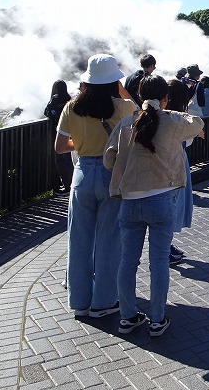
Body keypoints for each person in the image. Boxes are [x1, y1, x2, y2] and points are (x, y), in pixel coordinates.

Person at [104, 74, 204, 337]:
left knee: (128, 261)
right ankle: (157, 319)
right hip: (161, 200)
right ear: (165, 97)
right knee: (158, 261)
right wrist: (166, 108)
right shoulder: (172, 121)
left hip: (129, 201)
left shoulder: (126, 124)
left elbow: (108, 160)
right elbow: (197, 122)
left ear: (138, 95)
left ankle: (128, 316)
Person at [55, 54, 136, 318]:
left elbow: (59, 147)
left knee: (78, 239)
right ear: (113, 81)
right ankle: (103, 302)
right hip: (111, 174)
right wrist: (119, 86)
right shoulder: (122, 107)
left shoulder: (72, 106)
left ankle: (79, 302)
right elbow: (139, 111)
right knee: (109, 239)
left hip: (82, 174)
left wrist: (79, 143)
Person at [164, 79, 199, 263]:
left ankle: (166, 247)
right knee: (173, 204)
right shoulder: (178, 118)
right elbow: (196, 131)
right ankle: (165, 250)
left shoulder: (155, 115)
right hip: (176, 162)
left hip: (160, 163)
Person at [44, 79, 73, 195]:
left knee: (60, 160)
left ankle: (66, 187)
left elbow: (47, 112)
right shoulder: (68, 98)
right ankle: (70, 184)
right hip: (70, 132)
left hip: (58, 132)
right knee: (68, 160)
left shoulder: (56, 98)